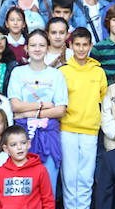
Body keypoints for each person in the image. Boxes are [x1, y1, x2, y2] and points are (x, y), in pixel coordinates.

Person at [6, 29, 68, 199]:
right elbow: (15, 106)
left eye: (41, 45)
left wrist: (29, 113)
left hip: (49, 135)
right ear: (26, 48)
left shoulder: (56, 75)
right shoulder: (18, 73)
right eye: (33, 45)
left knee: (48, 188)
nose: (37, 49)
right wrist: (43, 106)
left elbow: (60, 110)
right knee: (25, 188)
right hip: (23, 137)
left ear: (48, 48)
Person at [58, 27, 107, 209]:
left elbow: (103, 102)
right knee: (69, 178)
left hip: (90, 129)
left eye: (85, 45)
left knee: (86, 179)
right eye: (76, 45)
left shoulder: (98, 72)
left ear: (90, 46)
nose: (81, 49)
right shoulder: (63, 71)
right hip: (67, 128)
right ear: (71, 46)